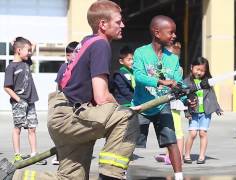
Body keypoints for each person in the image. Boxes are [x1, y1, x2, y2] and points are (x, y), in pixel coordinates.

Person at [12, 1, 140, 180]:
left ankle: (14, 177)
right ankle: (111, 176)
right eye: (118, 21)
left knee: (71, 178)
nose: (123, 25)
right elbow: (102, 97)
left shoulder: (88, 41)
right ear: (103, 24)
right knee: (128, 118)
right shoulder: (101, 45)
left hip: (62, 116)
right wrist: (123, 109)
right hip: (70, 116)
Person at [132, 15, 183, 179]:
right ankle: (120, 173)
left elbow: (179, 85)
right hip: (142, 107)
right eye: (171, 32)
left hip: (163, 106)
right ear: (157, 32)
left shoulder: (173, 59)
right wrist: (161, 81)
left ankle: (179, 176)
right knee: (128, 144)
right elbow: (138, 76)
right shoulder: (141, 52)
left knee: (172, 142)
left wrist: (186, 99)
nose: (174, 36)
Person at [3, 37, 47, 165]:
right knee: (18, 128)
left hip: (31, 101)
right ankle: (17, 155)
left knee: (32, 128)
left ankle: (34, 155)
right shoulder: (11, 67)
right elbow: (6, 87)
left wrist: (18, 40)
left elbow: (33, 43)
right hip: (19, 102)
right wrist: (18, 100)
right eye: (27, 51)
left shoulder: (26, 62)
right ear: (18, 50)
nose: (29, 53)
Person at [183, 57, 222, 164]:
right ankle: (186, 155)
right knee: (192, 133)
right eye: (197, 69)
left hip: (205, 113)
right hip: (193, 113)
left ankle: (201, 156)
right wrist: (187, 113)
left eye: (202, 70)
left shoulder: (207, 82)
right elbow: (183, 99)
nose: (199, 72)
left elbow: (212, 95)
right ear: (191, 67)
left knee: (202, 133)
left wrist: (217, 107)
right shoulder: (186, 82)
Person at [154, 42, 186, 165]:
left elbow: (176, 85)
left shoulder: (177, 68)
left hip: (174, 102)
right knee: (168, 128)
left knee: (177, 130)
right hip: (167, 101)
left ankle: (179, 156)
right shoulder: (166, 67)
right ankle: (169, 155)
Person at [51, 41, 79, 165]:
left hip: (77, 103)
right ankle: (59, 156)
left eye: (70, 55)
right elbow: (58, 85)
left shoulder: (81, 67)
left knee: (74, 130)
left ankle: (73, 156)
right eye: (66, 55)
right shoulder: (64, 67)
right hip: (64, 102)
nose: (68, 58)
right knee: (61, 131)